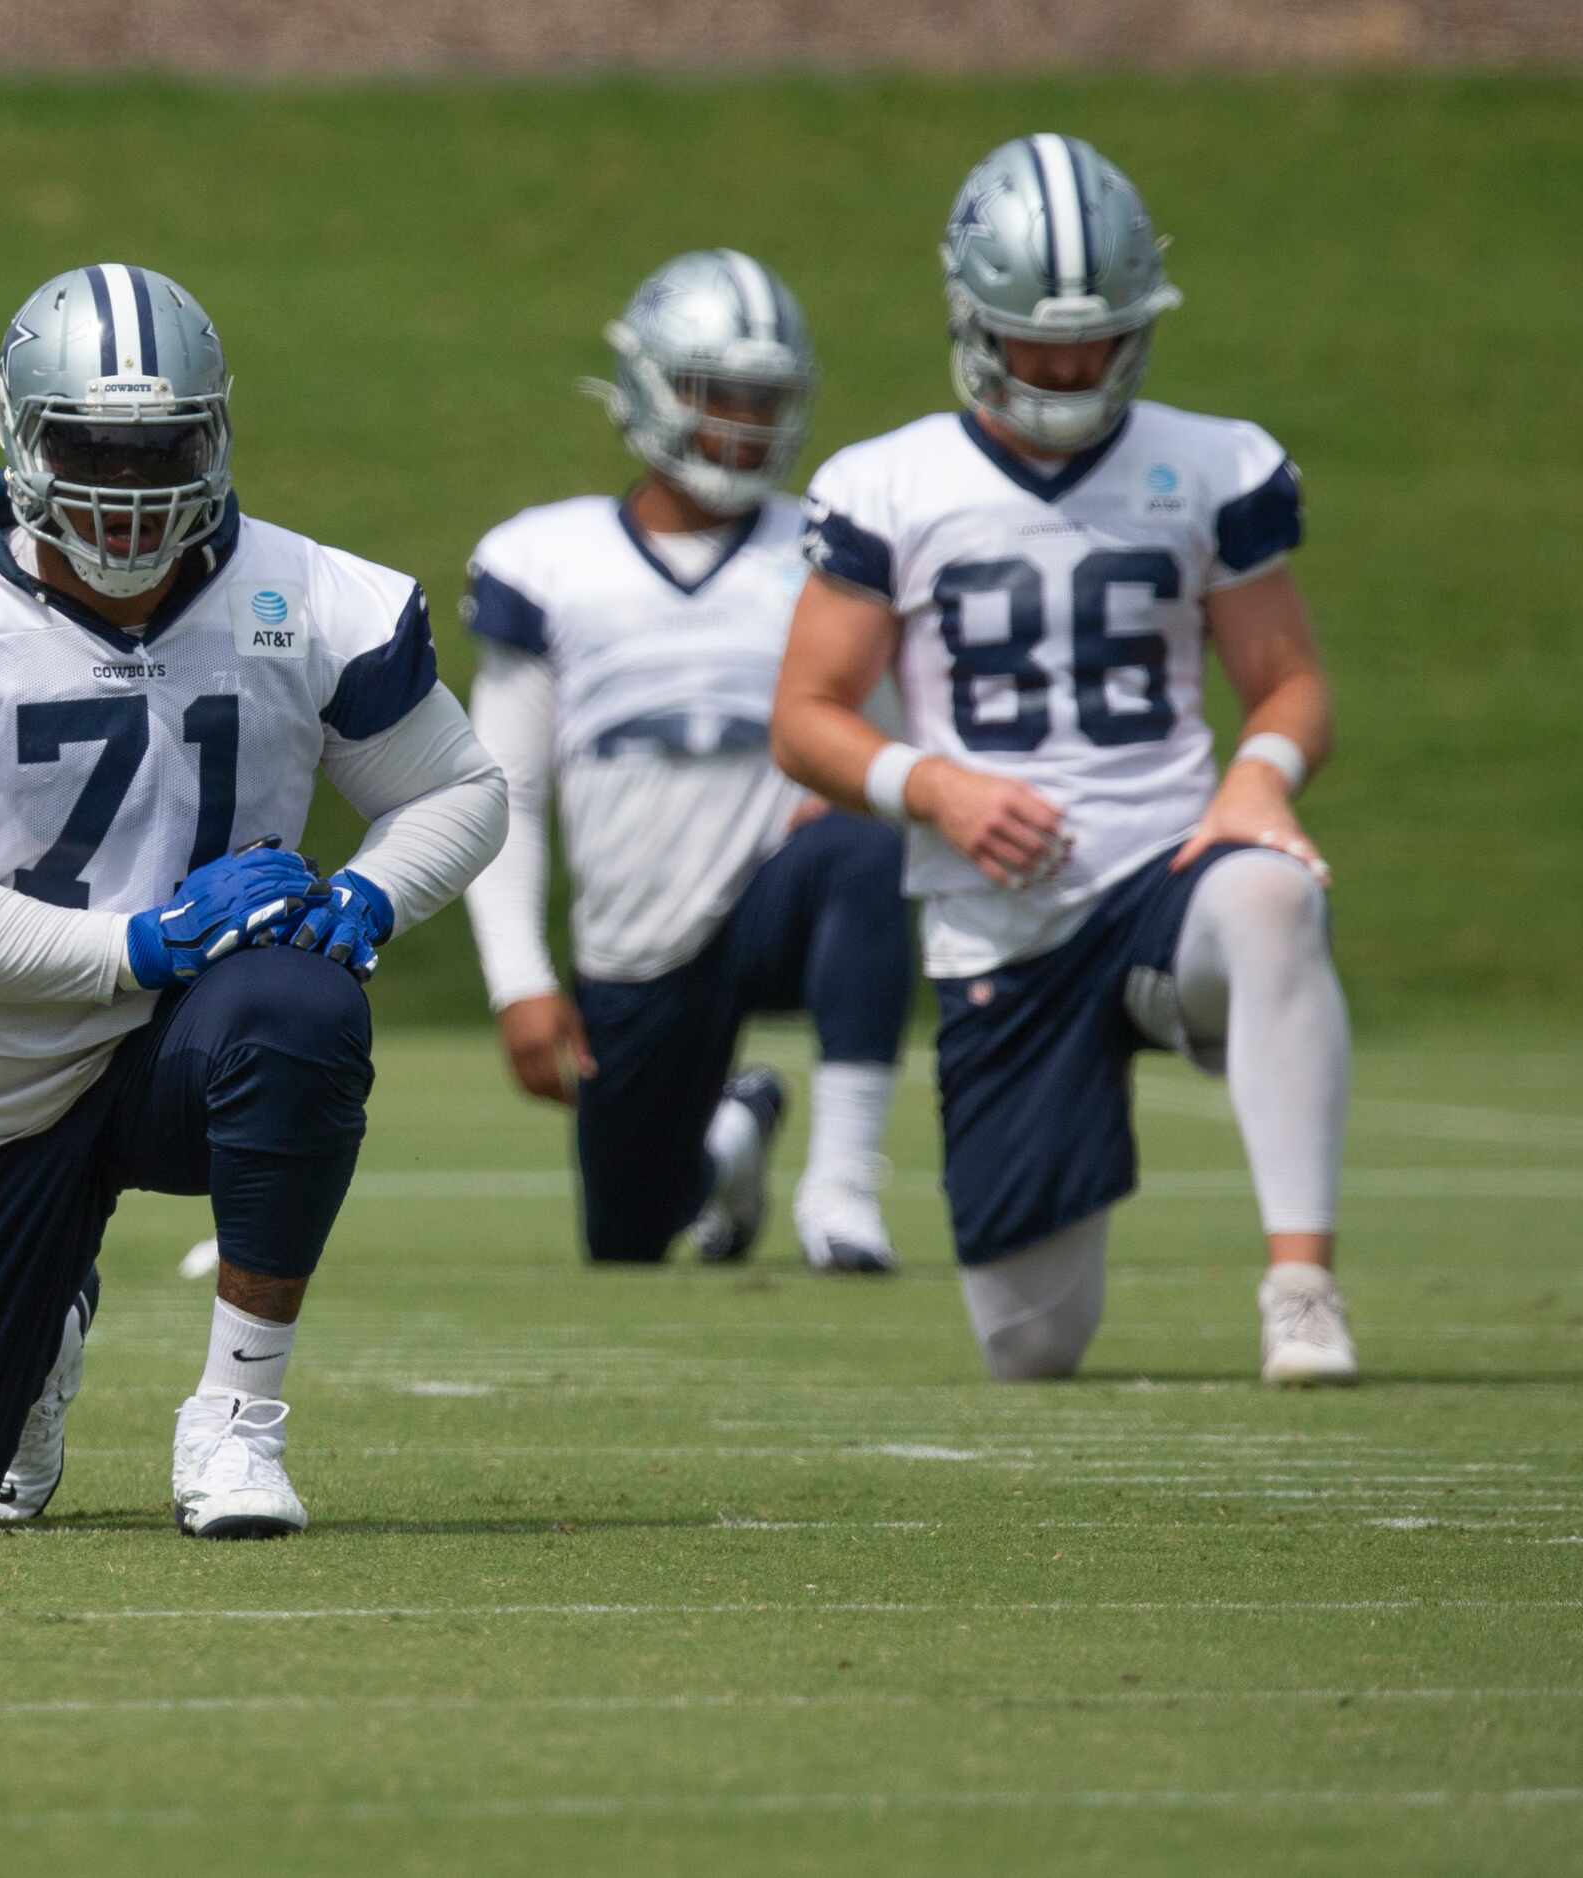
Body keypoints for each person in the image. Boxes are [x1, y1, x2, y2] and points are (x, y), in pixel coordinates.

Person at [0, 263, 506, 1534]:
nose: (128, 489)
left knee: (300, 1008)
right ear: (23, 436)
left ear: (217, 433)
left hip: (207, 1044)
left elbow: (459, 792)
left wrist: (367, 897)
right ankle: (47, 1308)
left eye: (162, 448)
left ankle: (236, 1424)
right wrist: (145, 941)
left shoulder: (310, 596)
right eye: (92, 448)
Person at [770, 138, 1358, 1384]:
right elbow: (808, 717)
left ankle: (1301, 1285)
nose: (1069, 366)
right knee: (1032, 1343)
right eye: (1038, 339)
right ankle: (1132, 1013)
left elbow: (1290, 681)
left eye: (1096, 339)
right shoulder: (890, 481)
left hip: (1168, 865)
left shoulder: (1213, 463)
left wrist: (1258, 777)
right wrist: (935, 786)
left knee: (1272, 892)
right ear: (974, 320)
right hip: (1005, 921)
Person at [462, 250, 912, 1274]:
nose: (746, 425)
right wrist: (520, 982)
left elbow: (881, 744)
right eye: (719, 396)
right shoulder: (547, 558)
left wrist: (842, 793)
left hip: (776, 892)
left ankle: (842, 1193)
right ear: (652, 388)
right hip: (636, 940)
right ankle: (729, 1144)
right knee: (629, 1238)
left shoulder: (824, 547)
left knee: (861, 855)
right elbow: (507, 790)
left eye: (766, 399)